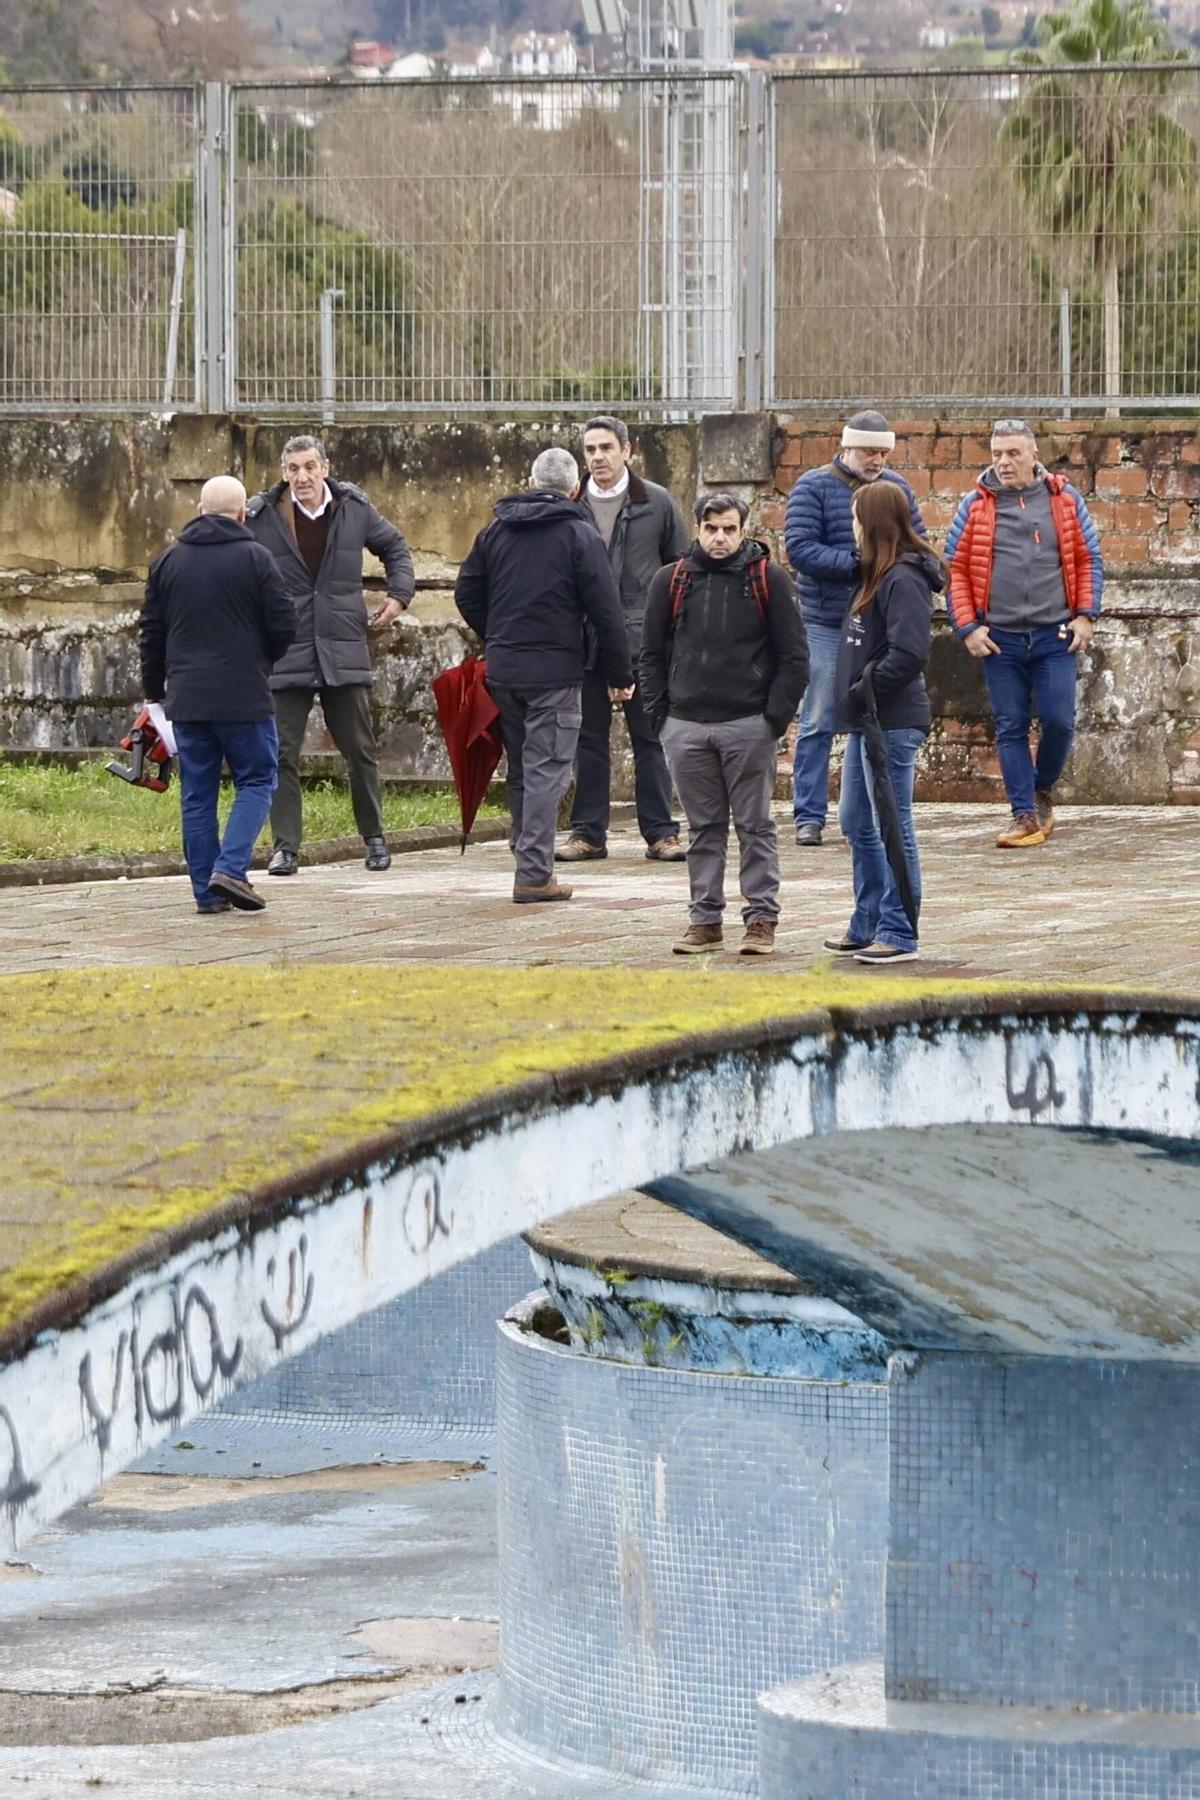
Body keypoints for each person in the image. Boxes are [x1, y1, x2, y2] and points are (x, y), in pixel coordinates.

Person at [455, 447, 634, 904]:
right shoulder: (580, 534)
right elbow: (606, 610)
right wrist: (620, 672)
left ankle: (525, 854)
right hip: (555, 672)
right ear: (574, 490)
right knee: (546, 771)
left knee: (522, 768)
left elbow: (467, 592)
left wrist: (496, 635)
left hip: (505, 670)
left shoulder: (496, 530)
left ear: (531, 483)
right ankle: (534, 874)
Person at [639, 492, 809, 958]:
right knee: (702, 828)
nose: (719, 537)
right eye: (711, 528)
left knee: (755, 826)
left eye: (729, 528)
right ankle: (704, 919)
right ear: (697, 529)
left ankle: (760, 920)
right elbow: (650, 654)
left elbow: (794, 657)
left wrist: (771, 719)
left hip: (748, 723)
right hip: (685, 724)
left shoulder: (768, 580)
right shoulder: (669, 581)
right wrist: (662, 717)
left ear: (743, 530)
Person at [245, 435, 415, 876]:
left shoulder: (354, 508)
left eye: (309, 467)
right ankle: (285, 847)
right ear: (284, 472)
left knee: (360, 750)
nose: (302, 477)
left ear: (326, 467)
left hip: (342, 645)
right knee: (281, 753)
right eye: (293, 468)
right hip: (286, 649)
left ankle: (374, 838)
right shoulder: (260, 515)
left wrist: (399, 597)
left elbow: (396, 548)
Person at [138, 476, 296, 914]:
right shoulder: (257, 559)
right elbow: (285, 624)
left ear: (200, 510)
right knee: (258, 779)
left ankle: (207, 894)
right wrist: (261, 661)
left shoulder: (168, 561)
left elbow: (151, 634)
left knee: (197, 793)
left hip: (186, 699)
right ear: (243, 513)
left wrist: (155, 694)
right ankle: (230, 868)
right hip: (244, 696)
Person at [946, 419, 1103, 848]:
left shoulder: (1064, 500)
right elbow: (956, 570)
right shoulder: (975, 505)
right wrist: (968, 627)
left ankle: (1041, 787)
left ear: (1034, 455)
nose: (1003, 462)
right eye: (997, 454)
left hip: (1055, 635)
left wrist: (1086, 615)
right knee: (1010, 725)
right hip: (1000, 638)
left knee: (1059, 721)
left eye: (1013, 453)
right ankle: (1023, 815)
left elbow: (1088, 558)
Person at [784, 409, 925, 846]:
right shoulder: (813, 485)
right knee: (819, 716)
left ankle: (863, 809)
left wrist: (882, 572)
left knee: (872, 713)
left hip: (876, 622)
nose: (876, 459)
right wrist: (859, 566)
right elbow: (800, 548)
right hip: (827, 620)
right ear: (847, 446)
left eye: (882, 451)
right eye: (868, 450)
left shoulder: (896, 489)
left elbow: (912, 539)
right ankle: (809, 813)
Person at [556, 415, 689, 866]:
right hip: (585, 641)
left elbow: (680, 572)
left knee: (650, 737)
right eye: (590, 450)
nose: (597, 458)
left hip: (644, 642)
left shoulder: (657, 503)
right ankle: (588, 832)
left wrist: (673, 635)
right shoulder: (571, 505)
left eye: (606, 448)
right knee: (588, 738)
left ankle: (661, 833)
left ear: (626, 451)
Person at [828, 481, 942, 966]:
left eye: (856, 519)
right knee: (856, 820)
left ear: (871, 523)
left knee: (893, 823)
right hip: (867, 722)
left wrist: (862, 690)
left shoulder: (904, 579)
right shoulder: (874, 575)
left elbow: (909, 653)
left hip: (892, 722)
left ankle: (899, 930)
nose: (851, 529)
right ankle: (868, 920)